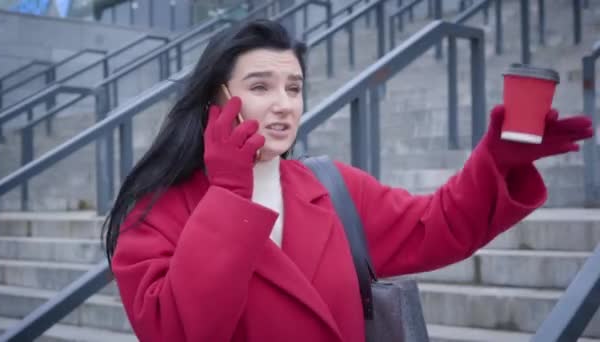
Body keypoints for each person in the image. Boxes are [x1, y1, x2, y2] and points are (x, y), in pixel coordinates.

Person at [103, 19, 593, 342]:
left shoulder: (328, 186)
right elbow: (179, 331)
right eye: (260, 87)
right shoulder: (155, 212)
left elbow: (437, 225)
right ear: (217, 98)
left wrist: (499, 161)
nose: (283, 104)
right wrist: (231, 194)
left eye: (293, 88)